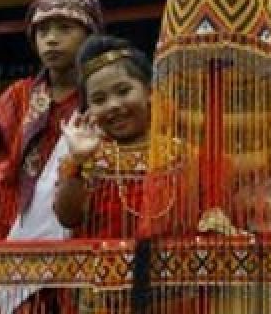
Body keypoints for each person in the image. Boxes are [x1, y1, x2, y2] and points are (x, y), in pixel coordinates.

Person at [0, 0, 102, 313]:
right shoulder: (19, 96)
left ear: (91, 35)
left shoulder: (101, 97)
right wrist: (5, 188)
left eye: (65, 28)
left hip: (82, 227)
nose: (52, 39)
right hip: (20, 226)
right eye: (42, 31)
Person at [55, 35, 187, 239]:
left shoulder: (182, 155)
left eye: (123, 91)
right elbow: (67, 218)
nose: (113, 105)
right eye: (99, 100)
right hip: (99, 269)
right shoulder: (84, 161)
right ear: (88, 110)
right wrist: (79, 161)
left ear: (149, 92)